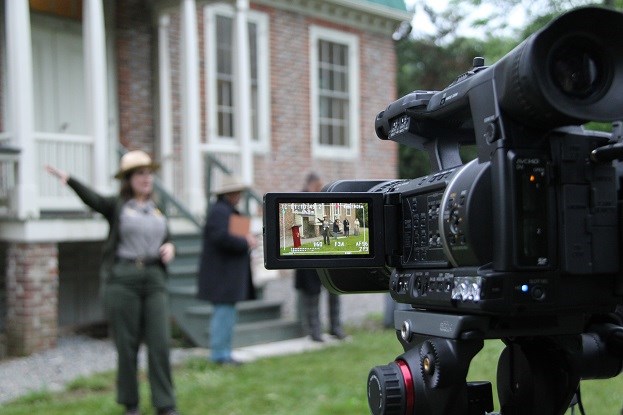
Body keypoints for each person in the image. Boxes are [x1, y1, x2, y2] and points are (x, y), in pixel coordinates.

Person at [46, 150, 179, 415]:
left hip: (154, 278)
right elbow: (93, 199)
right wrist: (69, 180)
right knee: (127, 346)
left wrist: (170, 247)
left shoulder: (157, 207)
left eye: (149, 173)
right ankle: (131, 404)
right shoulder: (118, 205)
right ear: (128, 179)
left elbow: (167, 236)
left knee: (160, 342)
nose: (146, 178)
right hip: (123, 279)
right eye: (140, 173)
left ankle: (165, 404)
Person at [197, 175, 257, 365]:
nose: (239, 195)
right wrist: (245, 241)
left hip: (229, 275)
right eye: (237, 192)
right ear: (229, 193)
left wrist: (246, 239)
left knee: (228, 314)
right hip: (222, 276)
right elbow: (221, 238)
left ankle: (225, 352)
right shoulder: (219, 212)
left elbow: (235, 237)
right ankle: (219, 355)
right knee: (223, 314)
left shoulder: (230, 211)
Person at [294, 173, 346, 342]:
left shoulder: (323, 200)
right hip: (308, 258)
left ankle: (335, 327)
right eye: (318, 185)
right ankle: (314, 331)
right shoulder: (299, 202)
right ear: (312, 184)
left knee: (333, 291)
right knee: (312, 296)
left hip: (327, 254)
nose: (320, 188)